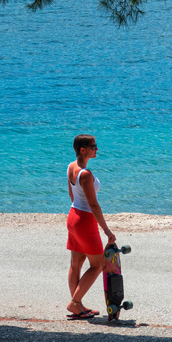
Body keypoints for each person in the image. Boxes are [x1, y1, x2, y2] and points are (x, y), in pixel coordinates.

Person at [65, 134, 116, 319]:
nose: (97, 149)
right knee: (98, 264)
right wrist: (106, 230)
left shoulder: (71, 167)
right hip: (85, 220)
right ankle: (75, 303)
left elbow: (73, 196)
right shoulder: (85, 174)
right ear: (83, 150)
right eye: (93, 146)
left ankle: (78, 307)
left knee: (76, 264)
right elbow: (93, 205)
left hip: (73, 216)